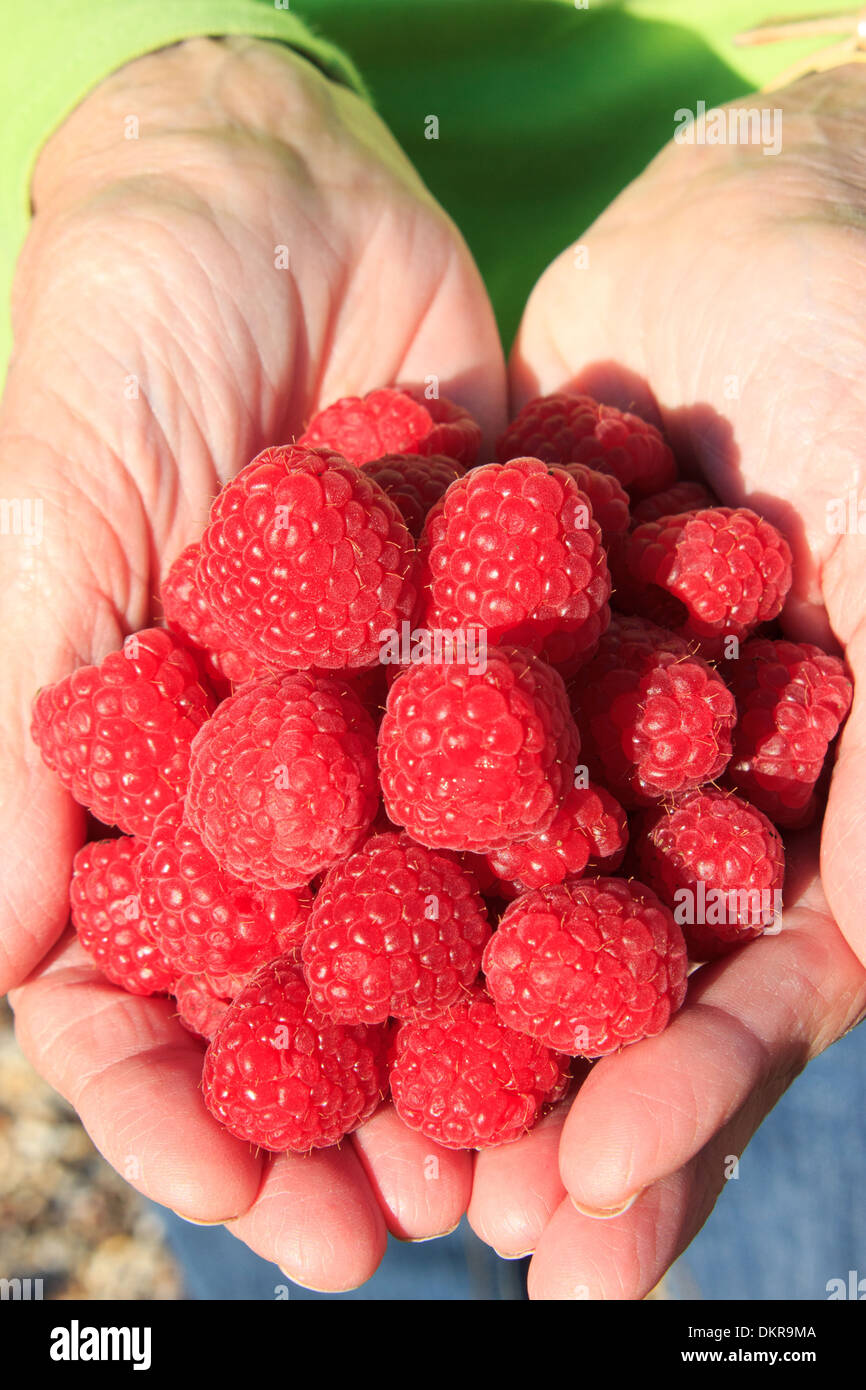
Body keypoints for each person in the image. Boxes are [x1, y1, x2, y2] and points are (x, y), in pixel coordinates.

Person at [1, 1, 865, 1301]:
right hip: (338, 292)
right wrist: (169, 86)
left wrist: (839, 130)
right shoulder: (309, 739)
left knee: (766, 1196)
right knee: (310, 1223)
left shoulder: (554, 668)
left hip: (728, 197)